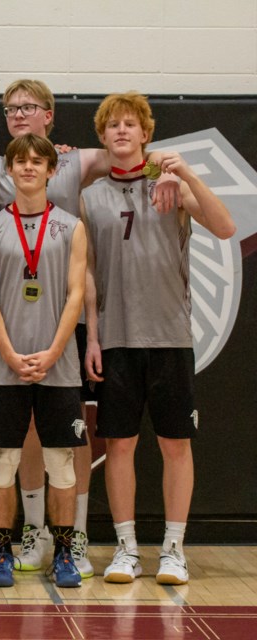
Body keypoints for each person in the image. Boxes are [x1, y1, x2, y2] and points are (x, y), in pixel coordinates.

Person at [0, 79, 177, 577]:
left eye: (28, 107)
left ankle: (74, 540)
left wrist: (178, 172)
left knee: (67, 447)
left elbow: (133, 152)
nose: (19, 115)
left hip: (65, 335)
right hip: (9, 343)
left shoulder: (81, 160)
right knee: (14, 450)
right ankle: (31, 534)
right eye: (11, 109)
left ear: (49, 116)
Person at [82, 92, 235, 585]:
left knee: (175, 446)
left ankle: (173, 548)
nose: (122, 132)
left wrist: (186, 174)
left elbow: (227, 226)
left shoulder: (171, 185)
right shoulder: (90, 197)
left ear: (146, 134)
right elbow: (85, 273)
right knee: (119, 446)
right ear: (103, 137)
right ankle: (126, 548)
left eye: (131, 125)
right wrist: (92, 336)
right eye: (113, 126)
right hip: (117, 340)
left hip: (170, 338)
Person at [0, 133, 88, 589]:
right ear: (8, 170)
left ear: (51, 170)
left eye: (36, 162)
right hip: (6, 365)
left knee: (61, 462)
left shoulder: (71, 226)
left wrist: (56, 351)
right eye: (19, 162)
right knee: (3, 461)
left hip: (58, 364)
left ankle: (63, 554)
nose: (28, 169)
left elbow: (77, 294)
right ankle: (2, 554)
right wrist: (7, 353)